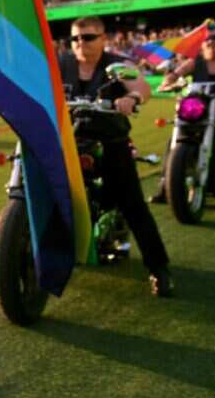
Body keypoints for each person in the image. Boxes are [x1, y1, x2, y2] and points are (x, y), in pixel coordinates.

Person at [61, 16, 173, 297]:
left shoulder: (116, 65)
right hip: (68, 141)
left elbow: (142, 88)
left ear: (102, 39)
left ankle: (158, 269)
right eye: (75, 38)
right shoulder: (61, 65)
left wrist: (132, 99)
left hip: (109, 140)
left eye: (87, 37)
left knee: (132, 203)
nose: (80, 44)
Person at [153, 20, 215, 200]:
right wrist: (168, 81)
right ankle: (166, 184)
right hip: (199, 109)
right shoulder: (195, 62)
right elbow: (176, 74)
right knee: (174, 138)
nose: (210, 42)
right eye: (207, 39)